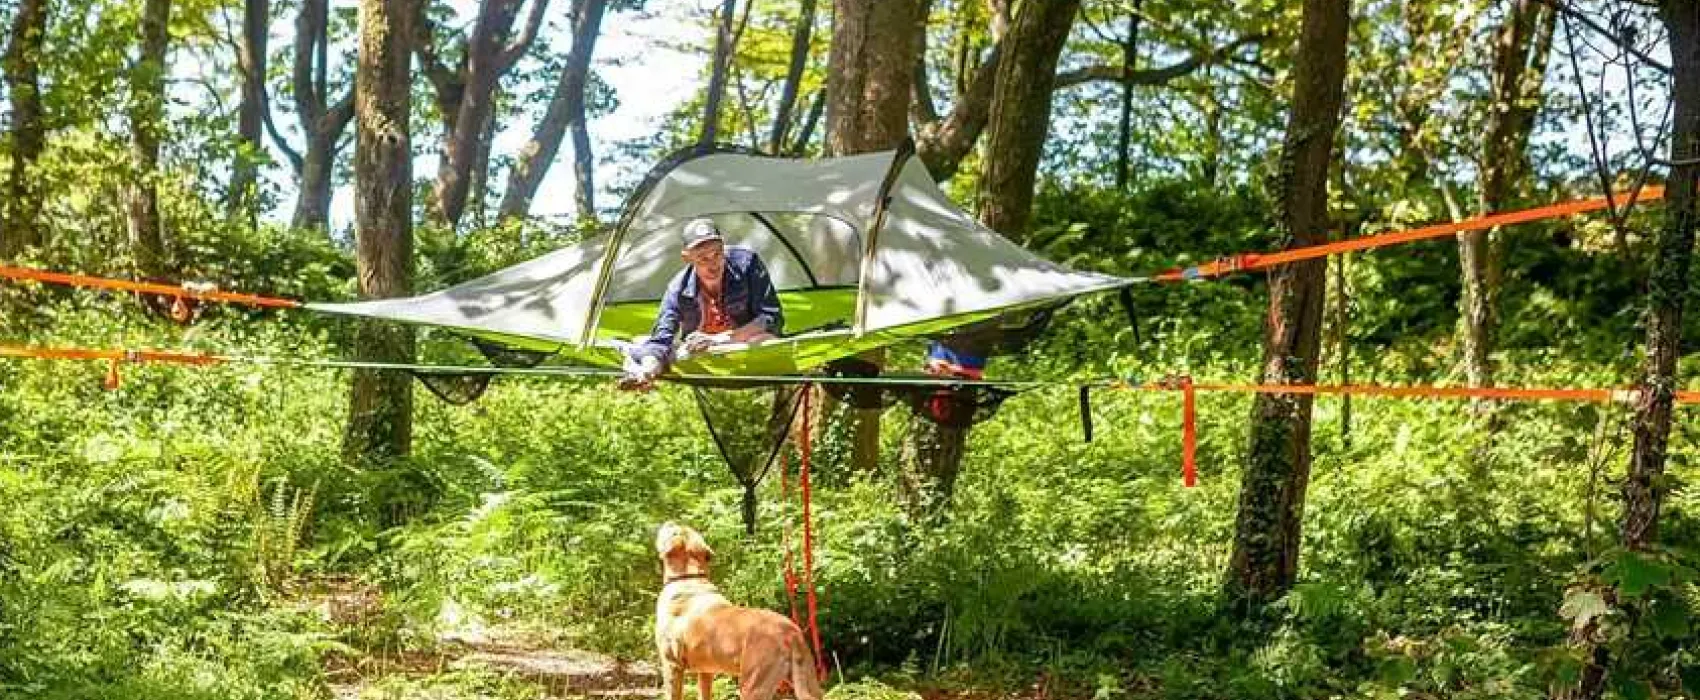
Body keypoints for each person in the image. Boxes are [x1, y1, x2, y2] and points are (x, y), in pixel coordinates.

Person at [620, 218, 783, 389]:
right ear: (687, 258)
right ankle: (640, 377)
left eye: (717, 254)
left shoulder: (747, 263)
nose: (713, 265)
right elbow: (662, 339)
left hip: (742, 347)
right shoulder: (678, 288)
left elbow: (771, 317)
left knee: (768, 344)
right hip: (700, 357)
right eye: (703, 259)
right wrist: (649, 369)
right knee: (643, 344)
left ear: (724, 248)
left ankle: (641, 368)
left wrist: (717, 340)